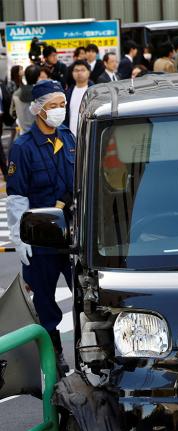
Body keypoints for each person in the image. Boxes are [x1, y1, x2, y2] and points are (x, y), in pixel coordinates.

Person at [6, 80, 76, 375]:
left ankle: (91, 351)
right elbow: (17, 197)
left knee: (86, 296)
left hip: (73, 235)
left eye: (62, 104)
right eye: (53, 106)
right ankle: (55, 355)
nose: (59, 110)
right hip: (41, 236)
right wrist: (21, 239)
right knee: (45, 304)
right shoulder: (22, 147)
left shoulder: (69, 138)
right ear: (37, 110)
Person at [64, 60, 91, 138]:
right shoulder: (68, 92)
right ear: (72, 73)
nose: (79, 73)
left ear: (89, 72)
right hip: (71, 135)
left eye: (82, 70)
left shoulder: (94, 91)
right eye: (76, 70)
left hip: (89, 135)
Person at [14, 64, 44, 134]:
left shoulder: (16, 94)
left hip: (23, 134)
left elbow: (12, 112)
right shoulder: (42, 94)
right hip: (39, 134)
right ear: (38, 77)